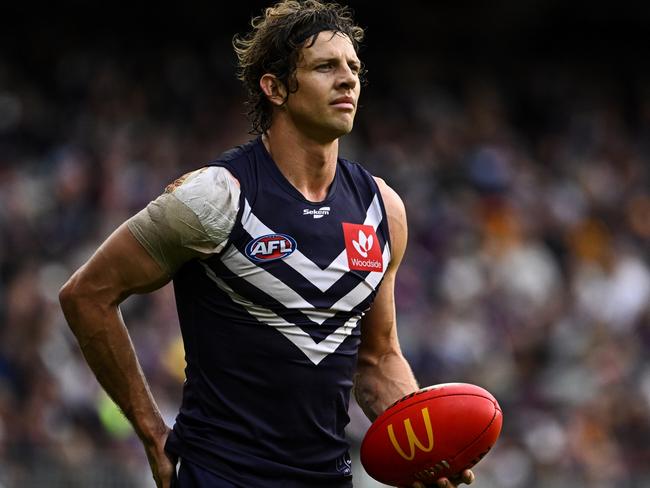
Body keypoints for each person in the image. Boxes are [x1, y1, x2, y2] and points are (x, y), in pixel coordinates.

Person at [59, 1, 476, 487]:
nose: (348, 80)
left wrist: (418, 443)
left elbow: (379, 357)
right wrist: (152, 431)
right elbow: (86, 295)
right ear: (274, 88)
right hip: (221, 476)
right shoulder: (214, 196)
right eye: (325, 67)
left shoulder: (382, 209)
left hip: (328, 477)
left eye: (353, 68)